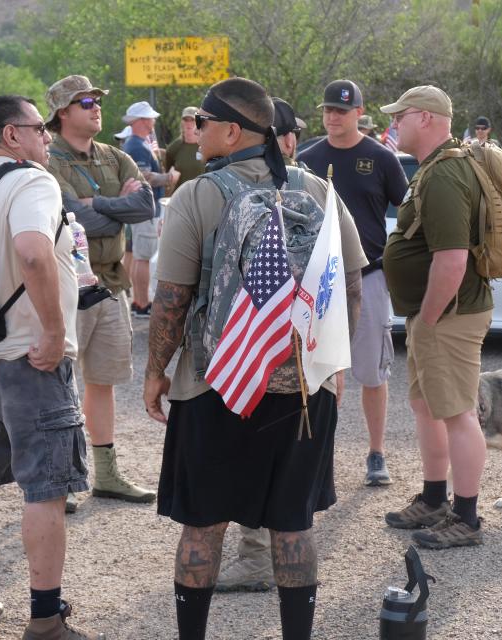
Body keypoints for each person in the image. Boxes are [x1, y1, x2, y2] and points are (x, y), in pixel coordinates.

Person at [143, 76, 366, 640]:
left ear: (233, 130)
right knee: (293, 526)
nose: (195, 132)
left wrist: (155, 372)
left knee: (202, 526)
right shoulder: (317, 190)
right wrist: (329, 365)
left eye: (204, 123)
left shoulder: (196, 194)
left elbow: (171, 298)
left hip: (215, 384)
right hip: (301, 390)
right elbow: (352, 288)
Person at [0, 94, 102, 640]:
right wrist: (55, 333)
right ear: (11, 135)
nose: (47, 138)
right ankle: (46, 618)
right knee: (46, 489)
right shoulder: (30, 181)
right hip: (30, 359)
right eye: (39, 128)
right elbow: (33, 252)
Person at [380, 85, 494, 549]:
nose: (394, 124)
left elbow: (452, 260)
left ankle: (466, 517)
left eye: (401, 116)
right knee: (428, 407)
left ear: (425, 119)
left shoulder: (446, 174)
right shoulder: (434, 168)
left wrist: (427, 318)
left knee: (458, 413)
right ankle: (434, 499)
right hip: (432, 314)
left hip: (447, 315)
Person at [45, 75, 157, 513]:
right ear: (62, 113)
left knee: (103, 380)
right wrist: (112, 209)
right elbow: (71, 218)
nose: (96, 107)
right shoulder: (48, 161)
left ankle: (106, 473)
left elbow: (145, 207)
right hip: (67, 286)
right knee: (60, 381)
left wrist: (97, 206)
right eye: (85, 101)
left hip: (111, 284)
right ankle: (64, 475)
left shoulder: (114, 155)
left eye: (97, 100)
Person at [212, 96, 310, 595]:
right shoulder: (311, 187)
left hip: (259, 361)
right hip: (277, 361)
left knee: (263, 477)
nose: (289, 140)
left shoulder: (307, 187)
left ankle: (259, 561)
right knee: (279, 482)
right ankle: (259, 560)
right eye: (284, 132)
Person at [299, 79, 408, 487]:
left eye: (341, 111)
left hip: (369, 276)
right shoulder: (309, 158)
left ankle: (376, 453)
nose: (332, 117)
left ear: (359, 113)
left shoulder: (381, 158)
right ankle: (314, 454)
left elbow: (409, 210)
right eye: (328, 110)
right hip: (320, 280)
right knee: (314, 369)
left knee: (372, 372)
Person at [122, 101, 179, 317]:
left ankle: (139, 301)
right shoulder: (136, 145)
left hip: (143, 208)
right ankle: (142, 303)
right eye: (150, 118)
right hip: (145, 208)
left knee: (140, 256)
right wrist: (169, 178)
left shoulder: (135, 144)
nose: (153, 122)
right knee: (143, 256)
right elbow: (144, 177)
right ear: (143, 121)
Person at [165, 106, 206, 189]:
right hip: (180, 198)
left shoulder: (207, 145)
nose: (189, 123)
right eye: (186, 120)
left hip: (202, 196)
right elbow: (166, 174)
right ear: (182, 122)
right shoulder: (174, 148)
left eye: (193, 120)